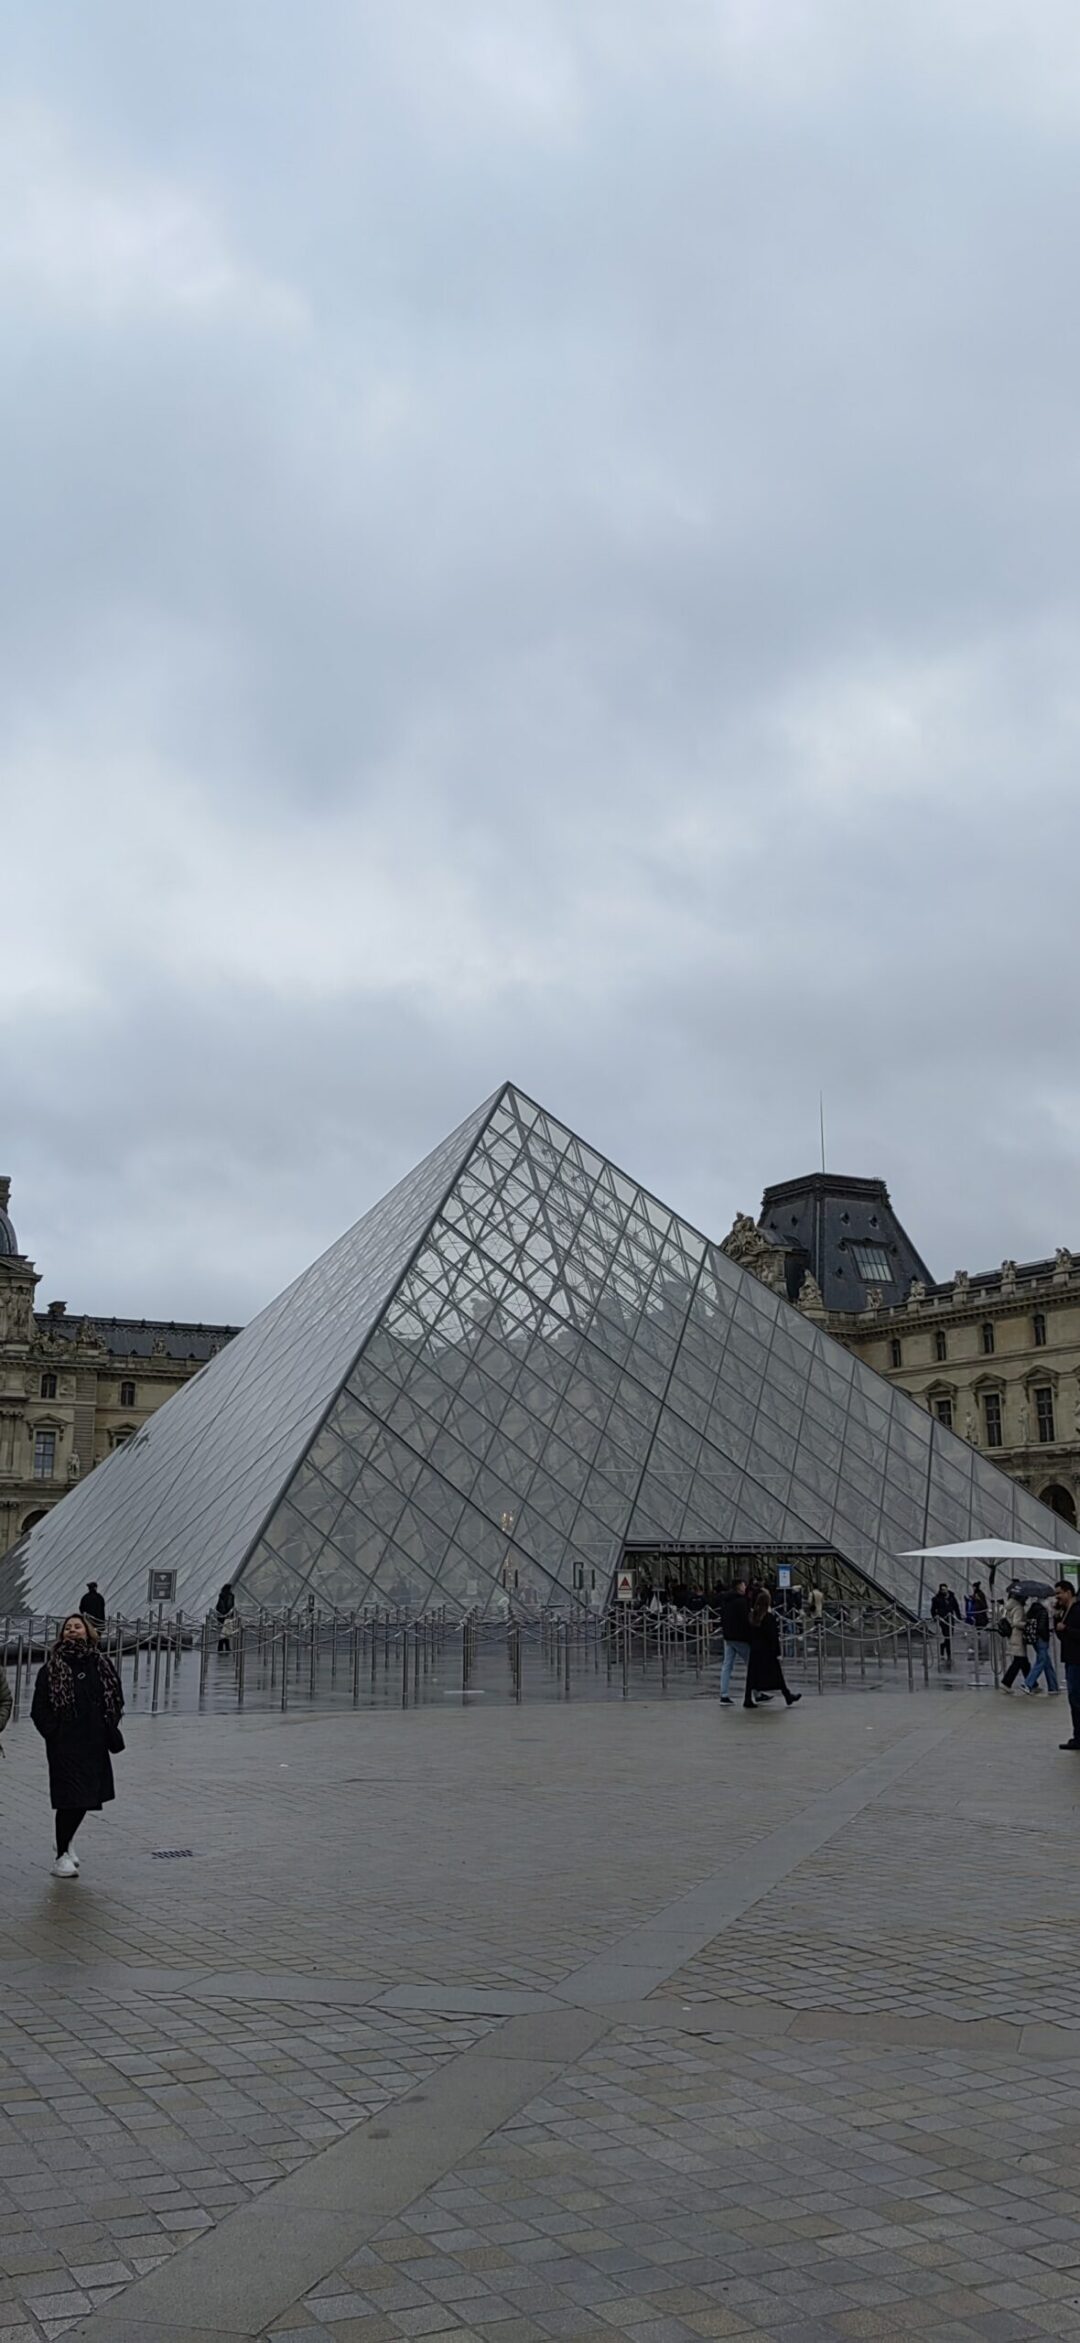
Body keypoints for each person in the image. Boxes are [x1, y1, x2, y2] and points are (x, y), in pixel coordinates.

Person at [30, 1614, 124, 1878]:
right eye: (68, 1628)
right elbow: (39, 1709)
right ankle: (60, 1856)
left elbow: (115, 1697)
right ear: (62, 1635)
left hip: (94, 1742)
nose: (72, 1631)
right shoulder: (50, 1669)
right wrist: (55, 1734)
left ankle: (67, 1838)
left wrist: (109, 1724)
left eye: (77, 1626)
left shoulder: (101, 1664)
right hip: (65, 1745)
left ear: (88, 1632)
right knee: (70, 1799)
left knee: (87, 1799)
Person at [744, 1588, 802, 1712]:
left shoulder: (752, 1616)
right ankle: (787, 1695)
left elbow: (748, 1634)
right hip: (767, 1651)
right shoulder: (768, 1617)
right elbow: (773, 1636)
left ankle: (747, 1698)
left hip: (755, 1650)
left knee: (752, 1676)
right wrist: (777, 1652)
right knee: (777, 1675)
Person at [1056, 1579, 1080, 1751]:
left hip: (1077, 1660)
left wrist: (1066, 1629)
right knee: (1074, 1699)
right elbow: (1061, 1636)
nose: (1058, 1597)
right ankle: (1077, 1735)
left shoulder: (1077, 1610)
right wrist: (1056, 1622)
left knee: (1076, 1698)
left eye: (1059, 1593)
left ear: (1069, 1592)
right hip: (1070, 1659)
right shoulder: (1065, 1611)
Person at [719, 1578, 751, 1705]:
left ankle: (724, 1694)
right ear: (739, 1587)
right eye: (743, 1585)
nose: (745, 1587)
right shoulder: (741, 1602)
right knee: (751, 1665)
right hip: (740, 1638)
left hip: (728, 1637)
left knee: (727, 1666)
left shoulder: (725, 1601)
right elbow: (745, 1620)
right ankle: (756, 1692)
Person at [1024, 1594, 1059, 1696]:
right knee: (1041, 1661)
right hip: (1042, 1639)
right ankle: (1028, 1683)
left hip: (1034, 1638)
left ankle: (1053, 1687)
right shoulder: (1043, 1611)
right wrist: (1046, 1636)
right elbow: (1042, 1627)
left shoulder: (1032, 1610)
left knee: (1047, 1663)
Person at [999, 1582, 1030, 1692]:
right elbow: (1016, 1623)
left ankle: (1032, 1683)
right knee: (1019, 1661)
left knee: (1023, 1662)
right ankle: (1006, 1683)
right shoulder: (1018, 1608)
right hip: (1018, 1637)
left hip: (1012, 1636)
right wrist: (1026, 1624)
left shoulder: (1009, 1606)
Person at [930, 1583, 961, 1666]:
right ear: (940, 1590)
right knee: (947, 1635)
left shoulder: (952, 1597)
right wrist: (935, 1617)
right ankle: (949, 1653)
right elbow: (933, 1609)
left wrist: (959, 1617)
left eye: (945, 1589)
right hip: (942, 1619)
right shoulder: (936, 1599)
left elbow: (956, 1607)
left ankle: (943, 1646)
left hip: (951, 1619)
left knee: (950, 1635)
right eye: (942, 1589)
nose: (944, 1591)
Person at [214, 1583, 237, 1653]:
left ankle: (222, 1647)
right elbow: (230, 1606)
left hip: (224, 1616)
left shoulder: (225, 1595)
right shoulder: (227, 1596)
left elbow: (221, 1606)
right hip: (225, 1616)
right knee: (225, 1632)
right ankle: (224, 1646)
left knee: (225, 1632)